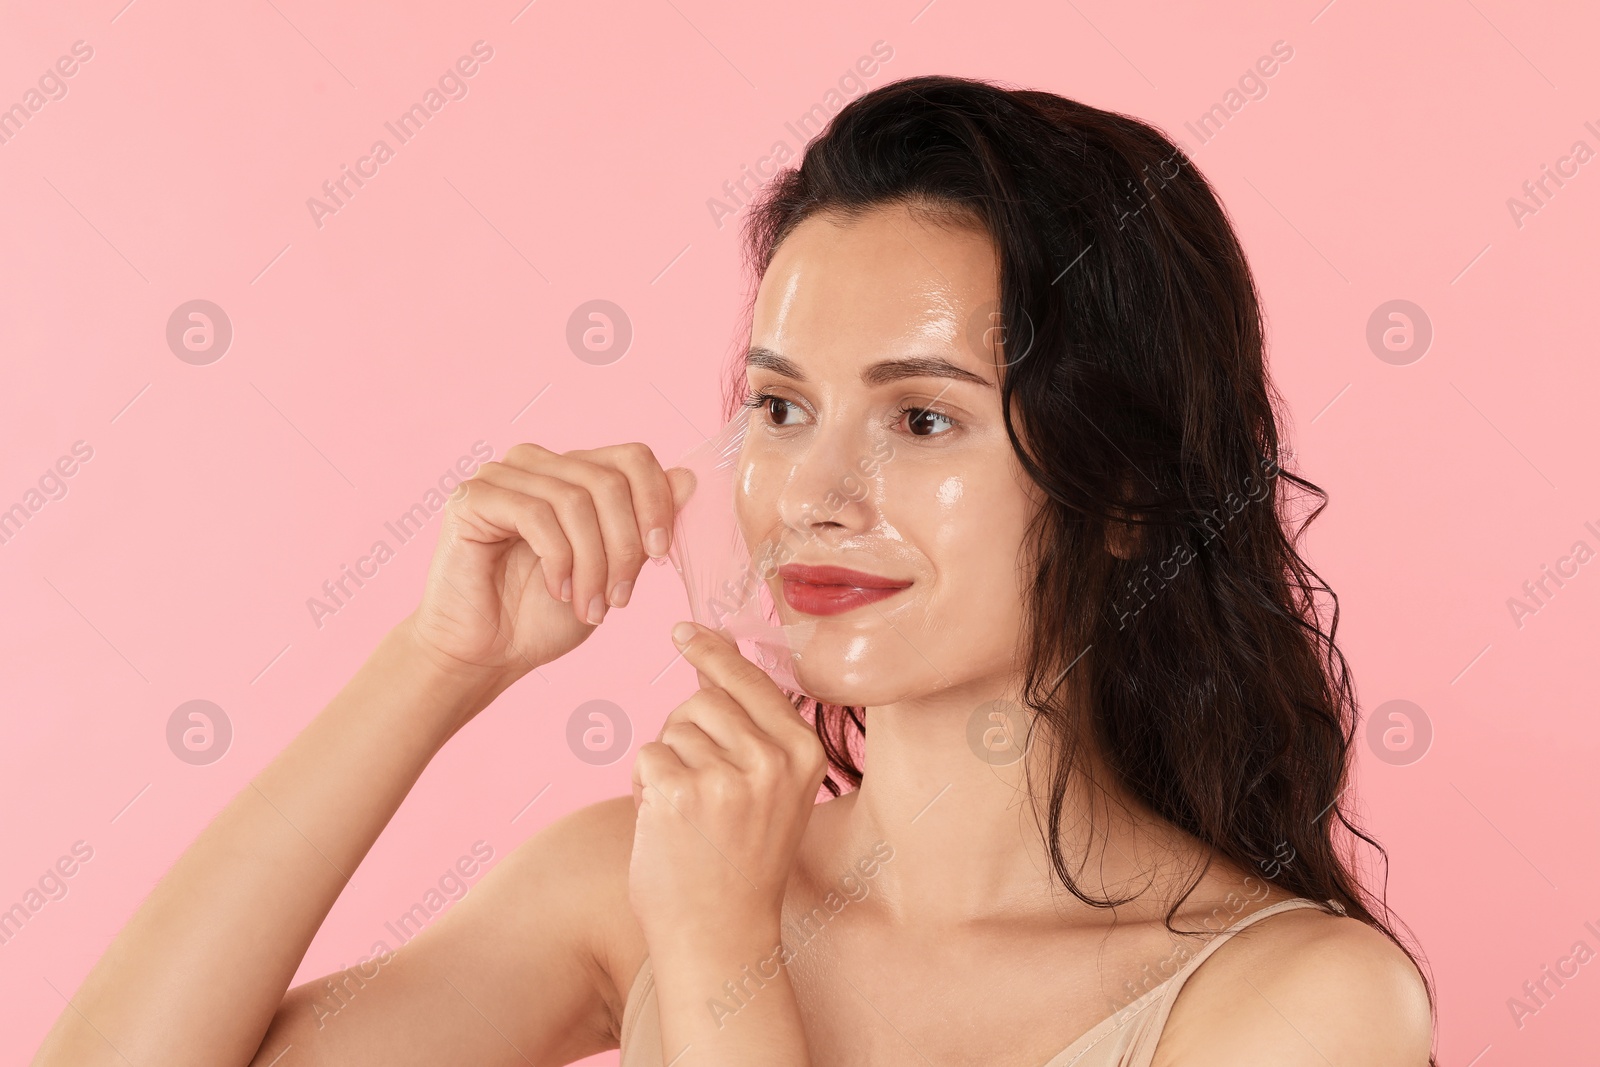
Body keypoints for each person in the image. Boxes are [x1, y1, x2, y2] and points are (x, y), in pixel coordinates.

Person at [34, 74, 1435, 1067]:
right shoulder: (635, 880)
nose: (813, 496)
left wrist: (714, 966)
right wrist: (434, 666)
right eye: (778, 407)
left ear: (1123, 491)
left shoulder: (1297, 1008)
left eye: (922, 417)